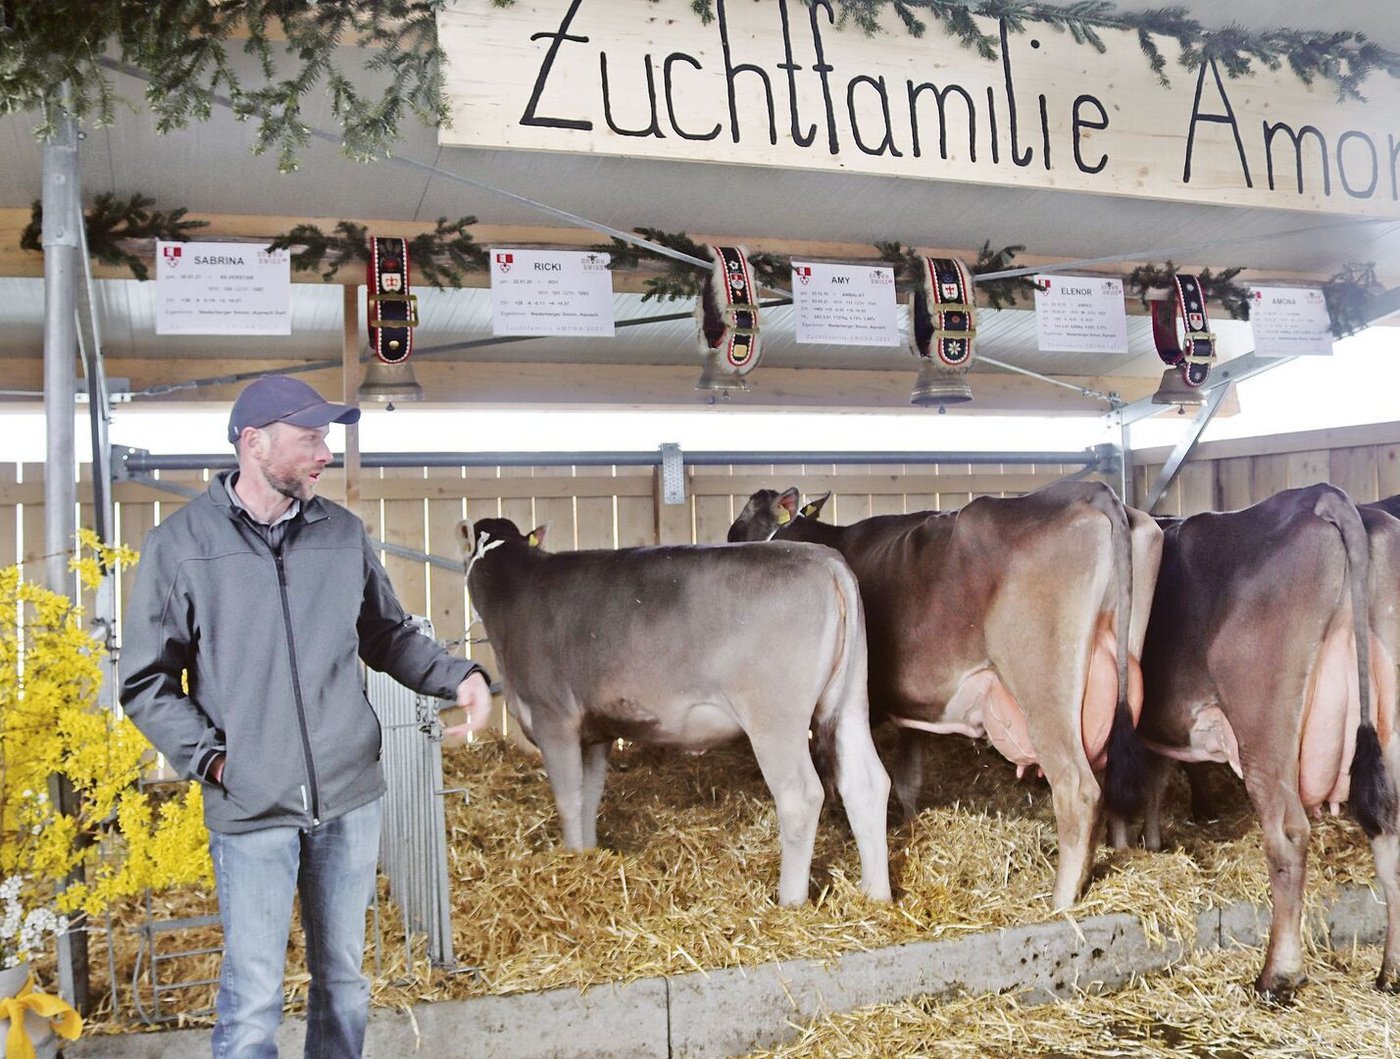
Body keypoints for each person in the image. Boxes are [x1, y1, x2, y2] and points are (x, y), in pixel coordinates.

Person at [119, 374, 493, 1059]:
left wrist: (459, 675)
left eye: (327, 436)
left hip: (348, 796)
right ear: (253, 442)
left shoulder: (342, 534)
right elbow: (145, 680)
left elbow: (387, 634)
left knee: (345, 983)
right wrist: (214, 760)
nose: (326, 450)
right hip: (251, 802)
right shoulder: (182, 545)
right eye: (311, 437)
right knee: (254, 998)